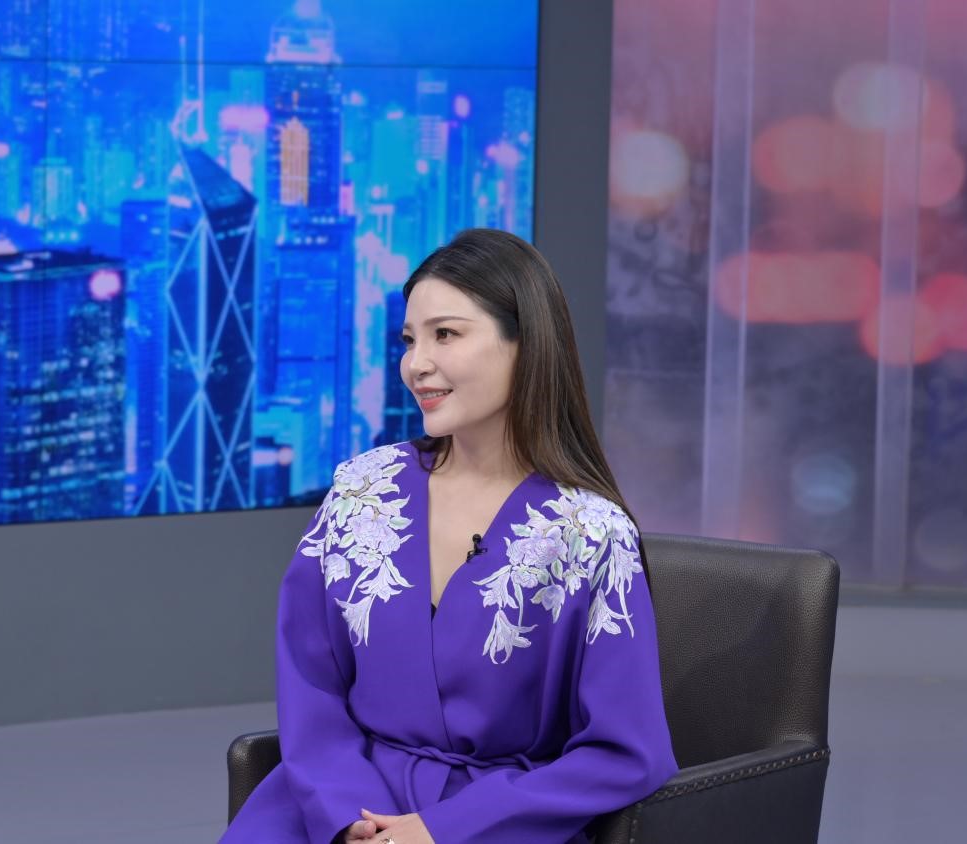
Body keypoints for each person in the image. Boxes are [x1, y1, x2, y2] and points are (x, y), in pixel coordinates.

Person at [219, 229, 676, 843]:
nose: (416, 364)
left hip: (495, 823)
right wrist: (347, 816)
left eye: (446, 334)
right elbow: (310, 685)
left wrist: (441, 828)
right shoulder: (362, 489)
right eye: (409, 339)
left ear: (525, 345)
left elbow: (626, 753)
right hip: (337, 803)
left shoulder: (590, 534)